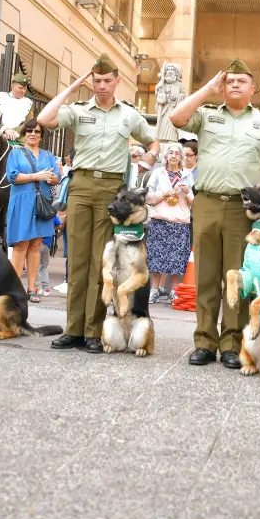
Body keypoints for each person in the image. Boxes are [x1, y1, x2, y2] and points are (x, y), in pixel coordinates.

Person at [170, 58, 260, 369]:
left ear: (253, 88)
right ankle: (204, 342)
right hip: (208, 203)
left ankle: (232, 343)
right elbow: (177, 117)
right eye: (230, 80)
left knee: (238, 278)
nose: (235, 84)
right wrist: (206, 90)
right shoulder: (207, 116)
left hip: (244, 210)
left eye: (242, 80)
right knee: (207, 277)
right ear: (222, 86)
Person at [39, 54, 158, 353]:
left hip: (110, 189)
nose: (102, 85)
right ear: (91, 82)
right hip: (80, 187)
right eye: (97, 80)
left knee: (99, 262)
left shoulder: (129, 115)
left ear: (117, 81)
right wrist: (70, 89)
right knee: (76, 260)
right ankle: (73, 330)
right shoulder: (79, 110)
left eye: (107, 80)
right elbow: (45, 119)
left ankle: (93, 331)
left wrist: (148, 158)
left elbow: (152, 141)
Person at [5, 120, 60, 301]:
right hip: (22, 202)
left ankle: (32, 288)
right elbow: (13, 176)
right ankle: (13, 288)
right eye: (29, 131)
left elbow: (57, 178)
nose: (32, 133)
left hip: (42, 203)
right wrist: (36, 176)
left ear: (41, 135)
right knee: (21, 245)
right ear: (24, 133)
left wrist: (52, 178)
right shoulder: (16, 153)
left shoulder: (48, 155)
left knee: (36, 245)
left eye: (36, 131)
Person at [145, 142, 194, 304]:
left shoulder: (187, 175)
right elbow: (148, 197)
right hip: (160, 220)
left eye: (177, 153)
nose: (173, 156)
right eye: (171, 153)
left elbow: (194, 202)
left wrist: (187, 193)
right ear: (166, 157)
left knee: (177, 260)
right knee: (156, 258)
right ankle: (154, 290)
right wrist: (165, 193)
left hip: (180, 222)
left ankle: (174, 291)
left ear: (181, 158)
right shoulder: (158, 173)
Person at [0, 73, 34, 141]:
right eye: (20, 88)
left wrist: (15, 132)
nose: (23, 91)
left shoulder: (29, 103)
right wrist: (5, 129)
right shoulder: (0, 97)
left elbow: (29, 122)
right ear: (13, 86)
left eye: (25, 89)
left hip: (19, 139)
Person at [154, 62, 185, 142]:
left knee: (171, 125)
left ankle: (171, 140)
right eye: (168, 70)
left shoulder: (179, 85)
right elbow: (157, 93)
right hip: (163, 110)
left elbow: (182, 95)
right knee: (162, 125)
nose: (170, 71)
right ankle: (160, 139)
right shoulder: (162, 84)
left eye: (172, 70)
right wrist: (160, 89)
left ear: (176, 73)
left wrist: (177, 97)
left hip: (173, 109)